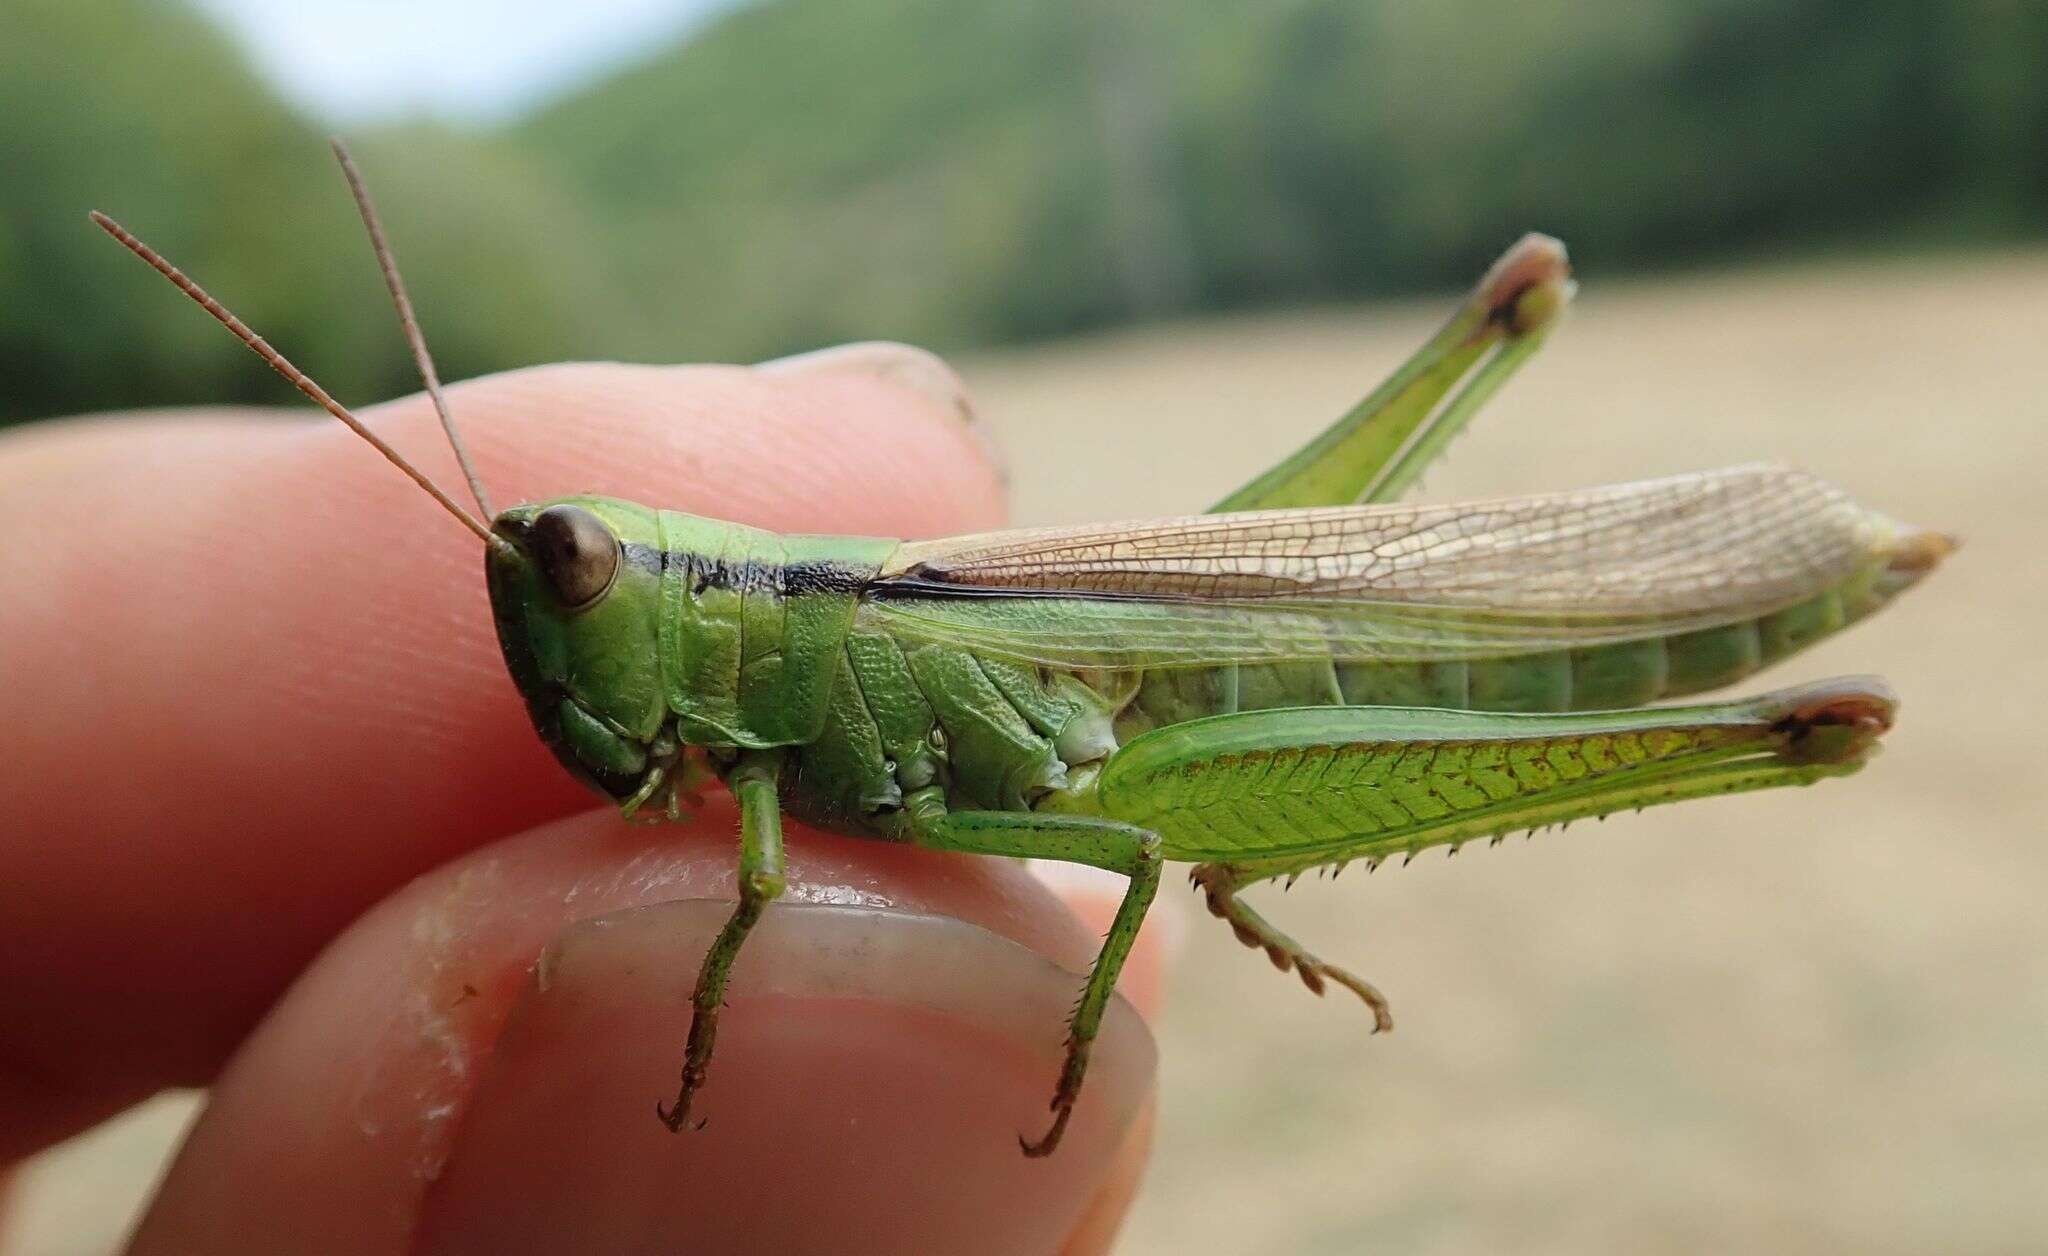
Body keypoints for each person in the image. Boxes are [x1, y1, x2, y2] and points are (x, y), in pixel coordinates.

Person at [0, 344, 1168, 1254]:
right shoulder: (753, 730)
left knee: (1129, 847)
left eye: (576, 573)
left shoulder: (810, 650)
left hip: (1199, 685)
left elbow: (782, 881)